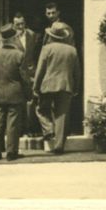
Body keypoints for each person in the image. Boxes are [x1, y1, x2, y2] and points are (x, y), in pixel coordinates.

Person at [33, 22, 79, 155]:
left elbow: (40, 70)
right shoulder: (72, 50)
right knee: (62, 115)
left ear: (51, 35)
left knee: (41, 109)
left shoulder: (47, 49)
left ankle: (49, 130)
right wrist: (76, 86)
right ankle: (59, 146)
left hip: (48, 85)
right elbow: (77, 72)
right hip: (66, 86)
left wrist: (36, 86)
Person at [0, 24, 30, 161]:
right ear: (14, 39)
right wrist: (28, 91)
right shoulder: (19, 55)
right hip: (15, 93)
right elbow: (24, 77)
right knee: (13, 123)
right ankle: (11, 152)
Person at [12, 12, 41, 136]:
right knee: (19, 102)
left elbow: (36, 53)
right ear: (13, 25)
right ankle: (20, 129)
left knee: (31, 101)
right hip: (17, 72)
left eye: (22, 24)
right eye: (17, 24)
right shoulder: (10, 37)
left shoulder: (32, 34)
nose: (20, 27)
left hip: (30, 71)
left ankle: (31, 128)